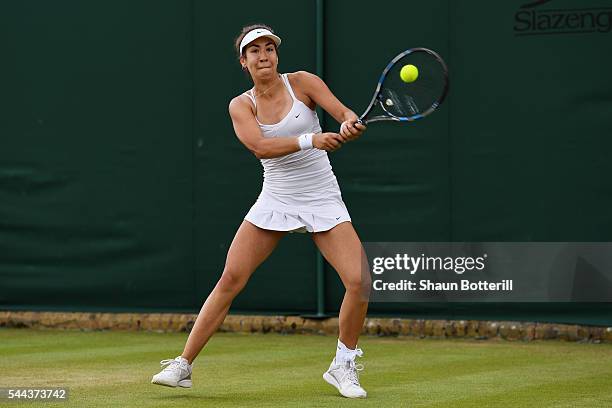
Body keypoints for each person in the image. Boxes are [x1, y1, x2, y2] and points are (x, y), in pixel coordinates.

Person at [151, 24, 371, 399]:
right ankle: (183, 364)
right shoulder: (241, 104)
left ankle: (343, 365)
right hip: (276, 199)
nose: (263, 55)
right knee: (230, 279)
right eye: (255, 51)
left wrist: (349, 121)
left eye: (269, 48)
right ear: (244, 61)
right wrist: (311, 139)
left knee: (360, 280)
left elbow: (342, 110)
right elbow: (259, 147)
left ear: (276, 55)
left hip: (321, 196)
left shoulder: (303, 82)